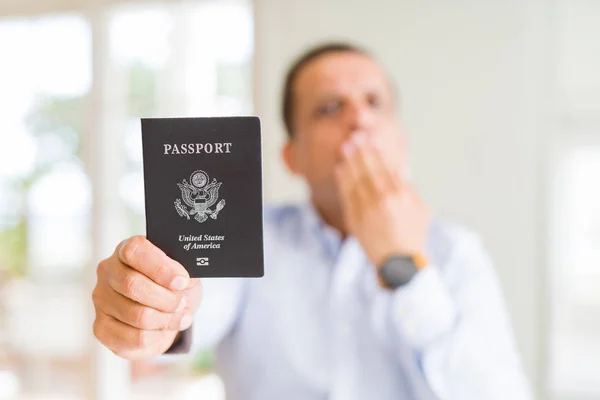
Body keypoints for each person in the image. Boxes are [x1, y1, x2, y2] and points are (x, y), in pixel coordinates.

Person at [92, 43, 532, 400]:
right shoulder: (250, 235)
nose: (359, 119)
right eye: (329, 108)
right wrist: (151, 312)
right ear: (292, 157)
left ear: (401, 138)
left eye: (375, 103)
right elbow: (192, 313)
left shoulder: (457, 253)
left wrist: (404, 266)